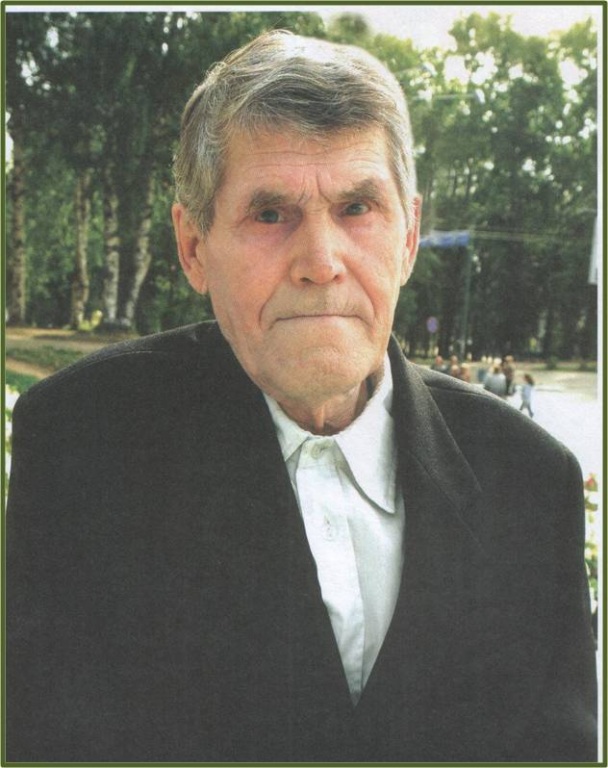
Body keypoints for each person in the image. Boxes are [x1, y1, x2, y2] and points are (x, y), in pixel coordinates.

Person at [6, 30, 596, 763]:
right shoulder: (85, 446)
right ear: (193, 246)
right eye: (270, 214)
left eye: (357, 208)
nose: (321, 262)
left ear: (409, 237)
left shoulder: (530, 480)